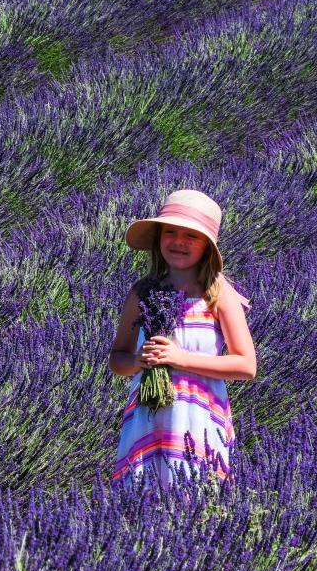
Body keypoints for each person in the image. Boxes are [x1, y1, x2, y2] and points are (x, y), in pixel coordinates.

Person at [108, 189, 257, 491]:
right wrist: (138, 362)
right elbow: (117, 359)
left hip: (199, 421)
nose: (178, 242)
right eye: (170, 232)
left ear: (207, 247)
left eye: (191, 236)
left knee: (197, 502)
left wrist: (180, 359)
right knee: (139, 505)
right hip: (147, 421)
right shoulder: (142, 292)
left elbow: (246, 365)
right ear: (158, 238)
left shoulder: (218, 294)